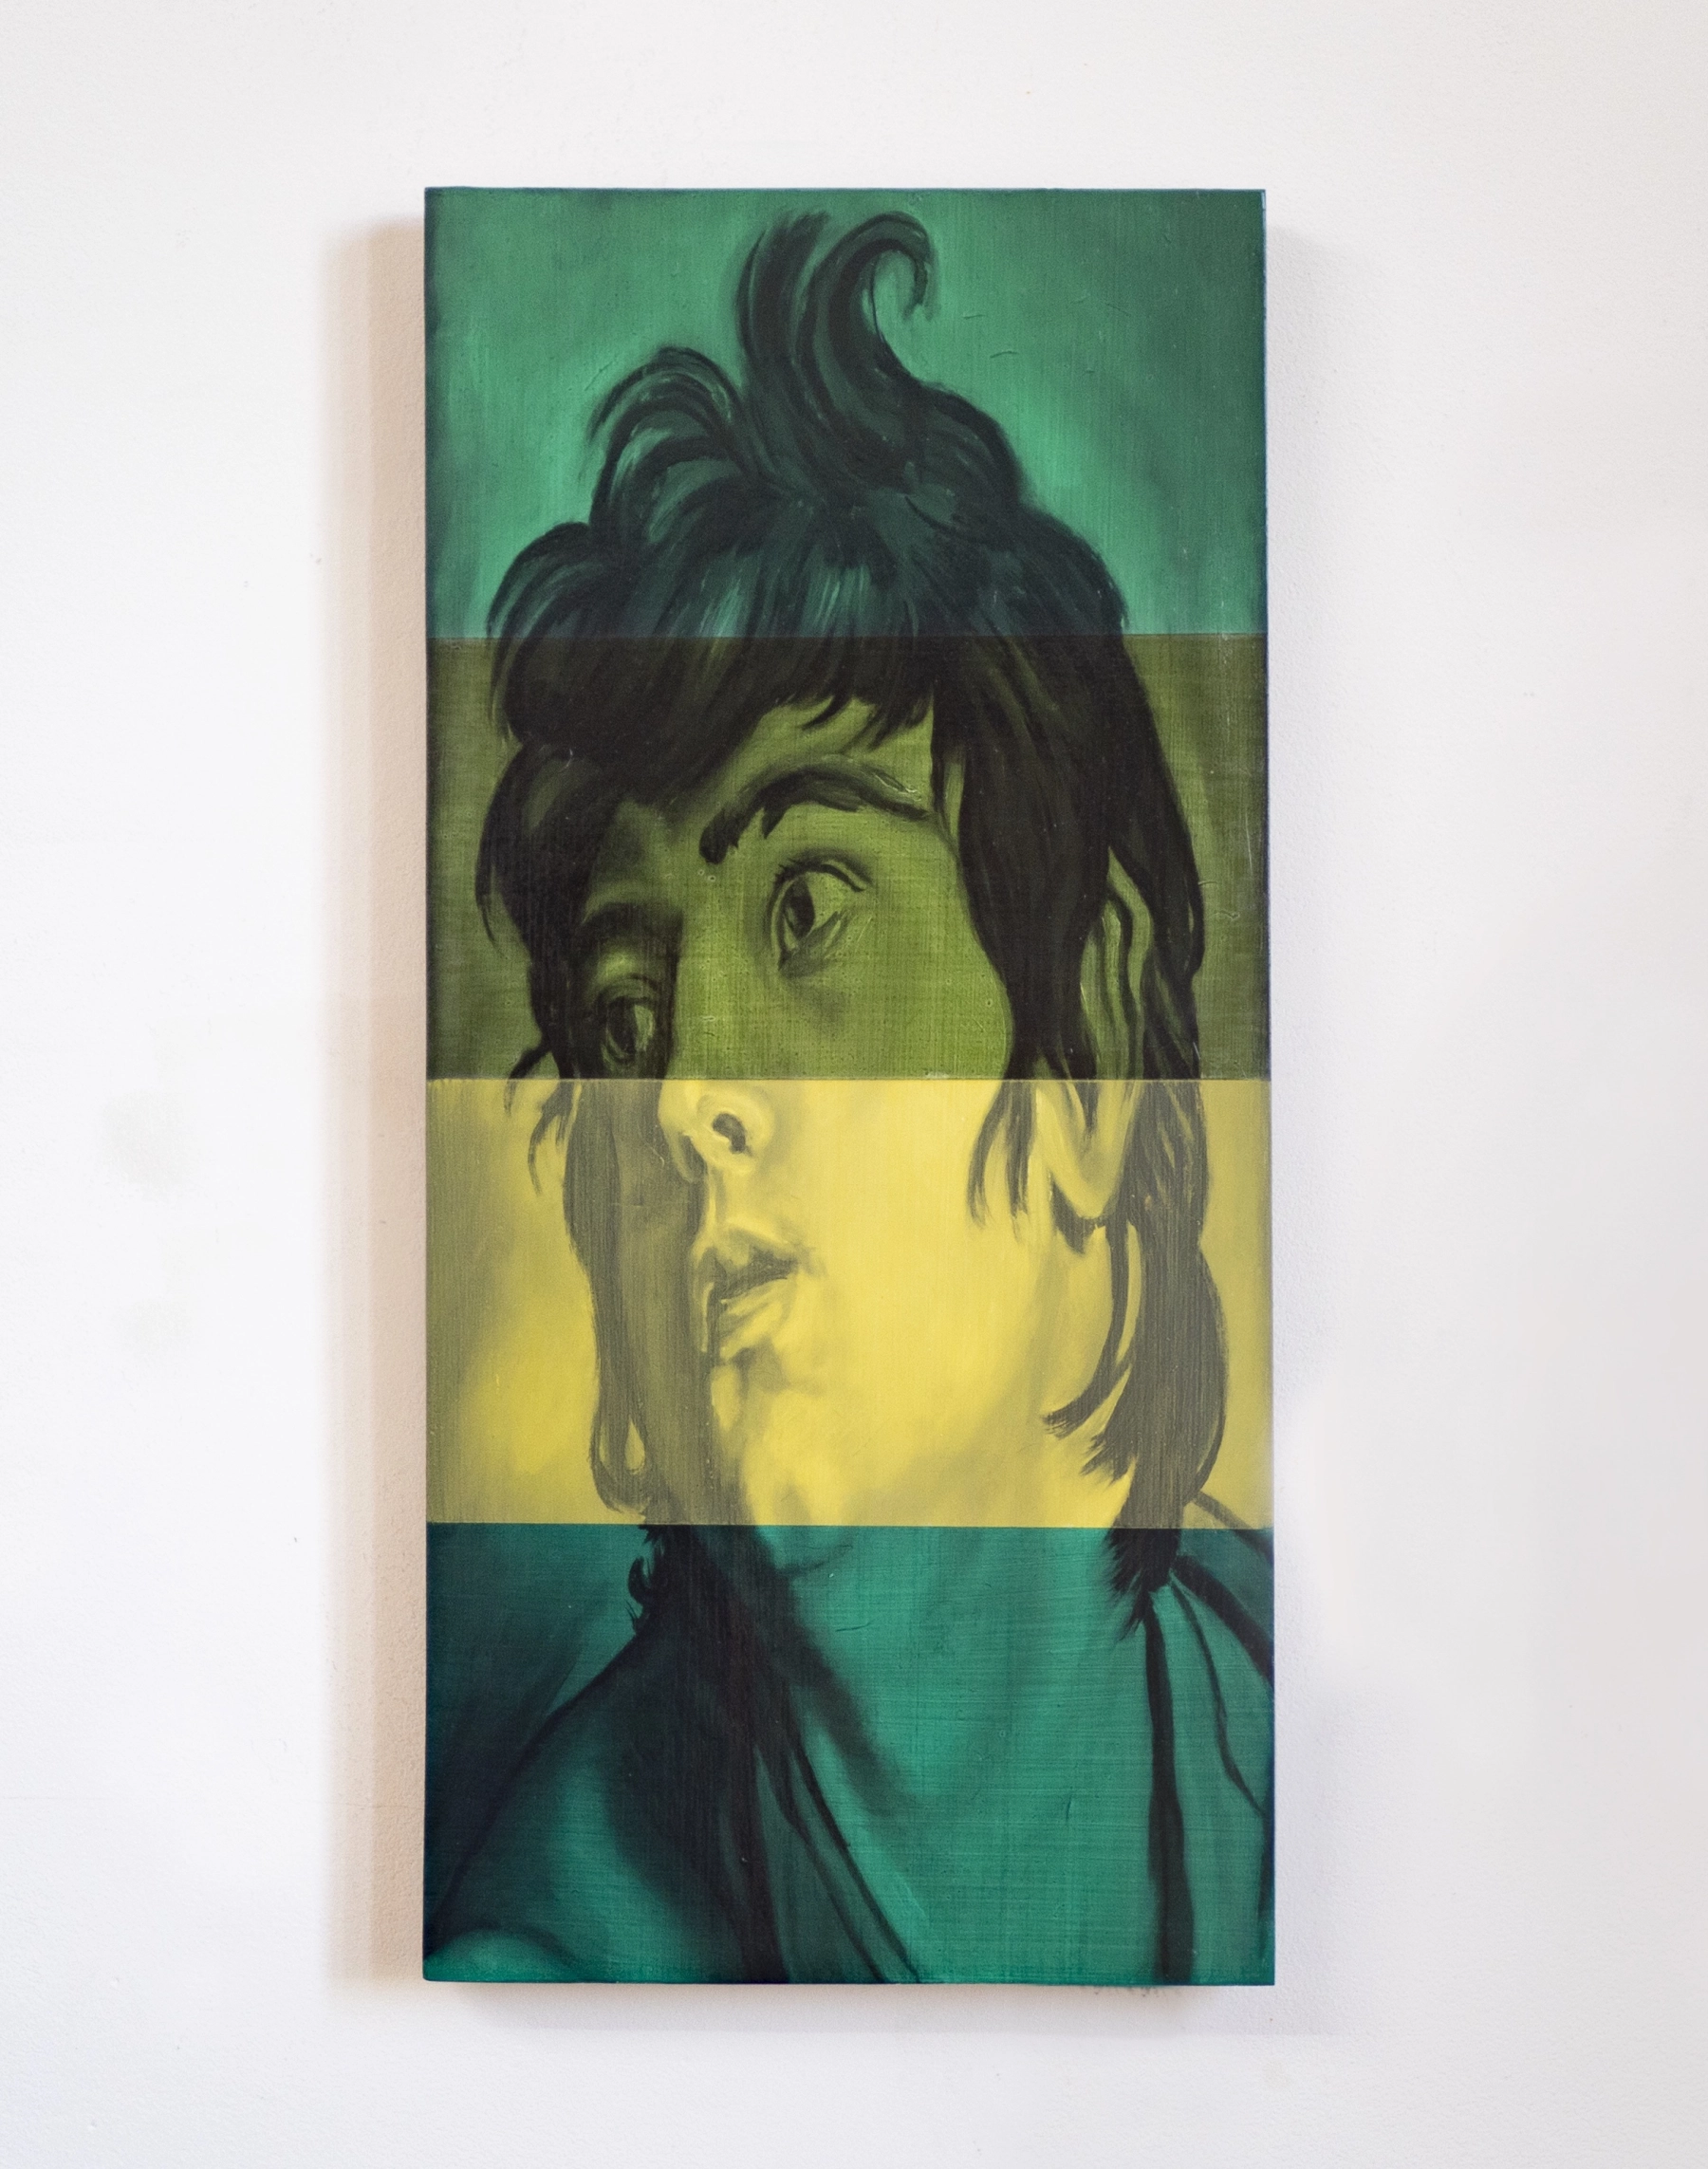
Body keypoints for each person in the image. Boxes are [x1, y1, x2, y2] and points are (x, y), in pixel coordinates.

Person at [425, 212, 1272, 1984]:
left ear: (1091, 1039)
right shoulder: (549, 1972)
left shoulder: (1311, 1731)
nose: (682, 1097)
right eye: (628, 1016)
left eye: (810, 909)